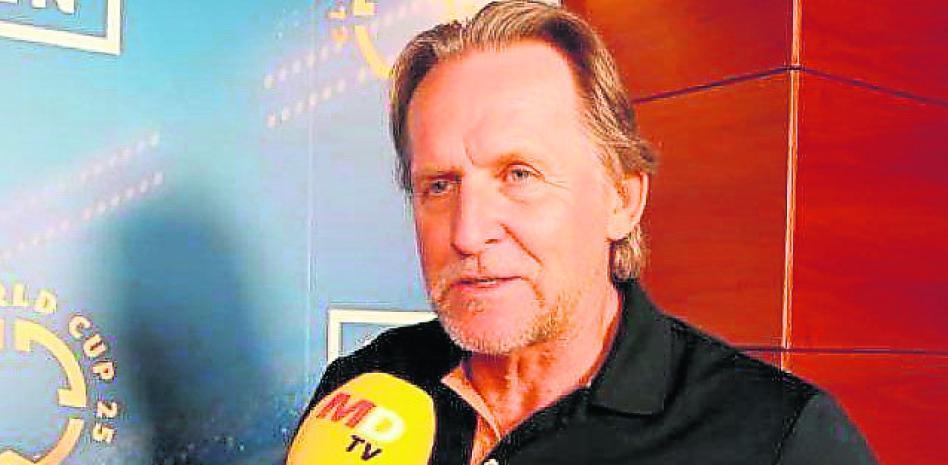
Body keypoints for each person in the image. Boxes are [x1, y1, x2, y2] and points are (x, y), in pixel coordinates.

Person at [295, 1, 878, 464]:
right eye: (440, 185)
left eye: (519, 174)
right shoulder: (365, 384)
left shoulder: (778, 439)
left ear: (621, 200)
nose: (468, 233)